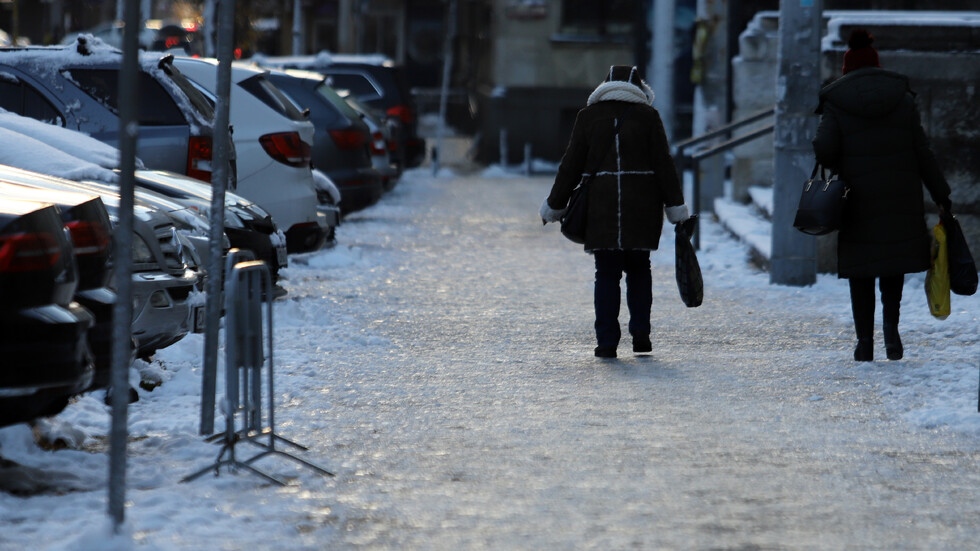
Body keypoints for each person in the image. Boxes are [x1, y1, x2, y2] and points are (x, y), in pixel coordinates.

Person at [812, 29, 952, 362]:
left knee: (861, 269)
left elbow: (826, 151)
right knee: (892, 266)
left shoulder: (836, 100)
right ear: (876, 64)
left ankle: (864, 342)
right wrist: (942, 195)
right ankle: (891, 333)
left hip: (856, 199)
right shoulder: (902, 98)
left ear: (847, 68)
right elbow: (923, 151)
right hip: (900, 196)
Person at [540, 65, 689, 359]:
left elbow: (570, 165)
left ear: (604, 87)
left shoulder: (588, 117)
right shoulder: (649, 117)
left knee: (606, 274)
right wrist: (676, 209)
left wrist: (554, 206)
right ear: (640, 90)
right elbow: (664, 166)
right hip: (642, 208)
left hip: (602, 209)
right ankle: (641, 336)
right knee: (639, 269)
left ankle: (606, 342)